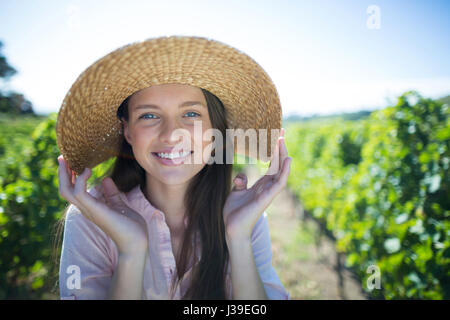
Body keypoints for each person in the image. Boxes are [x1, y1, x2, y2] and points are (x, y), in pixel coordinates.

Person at [55, 35, 292, 300]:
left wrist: (238, 238)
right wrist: (131, 251)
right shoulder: (89, 219)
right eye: (149, 116)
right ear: (128, 131)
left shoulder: (246, 218)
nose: (171, 135)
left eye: (191, 114)